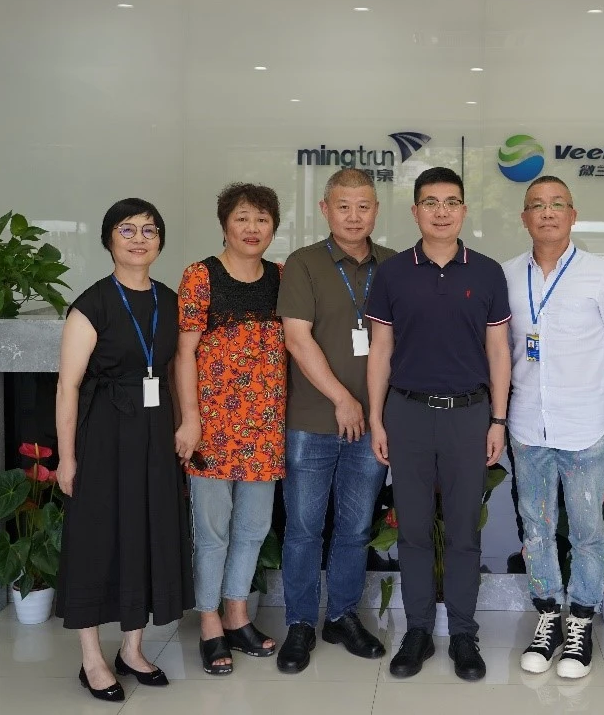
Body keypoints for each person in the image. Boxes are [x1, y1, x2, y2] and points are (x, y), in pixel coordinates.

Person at [365, 166, 511, 682]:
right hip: (406, 413)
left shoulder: (487, 273)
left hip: (469, 415)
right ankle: (419, 631)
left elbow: (499, 350)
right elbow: (380, 350)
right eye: (431, 202)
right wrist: (376, 418)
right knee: (414, 531)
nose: (441, 212)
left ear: (464, 210)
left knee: (465, 531)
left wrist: (498, 418)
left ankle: (465, 634)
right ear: (415, 212)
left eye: (451, 202)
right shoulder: (392, 273)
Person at [502, 175, 604, 679]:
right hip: (527, 425)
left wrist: (591, 389)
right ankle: (548, 618)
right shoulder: (506, 276)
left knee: (586, 531)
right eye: (537, 205)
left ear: (573, 215)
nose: (547, 212)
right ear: (524, 218)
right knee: (536, 527)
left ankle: (580, 621)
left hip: (584, 428)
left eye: (557, 204)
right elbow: (500, 349)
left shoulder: (602, 276)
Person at [55, 198, 192, 703]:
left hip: (155, 435)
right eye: (127, 230)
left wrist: (186, 424)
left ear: (160, 240)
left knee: (147, 533)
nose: (139, 239)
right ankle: (91, 659)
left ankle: (132, 649)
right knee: (97, 539)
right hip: (104, 436)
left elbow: (176, 370)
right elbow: (68, 386)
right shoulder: (91, 305)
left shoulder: (169, 300)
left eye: (149, 230)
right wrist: (67, 458)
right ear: (109, 239)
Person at [274, 168, 395, 673]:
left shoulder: (394, 265)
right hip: (312, 421)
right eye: (343, 206)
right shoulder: (303, 264)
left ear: (376, 211)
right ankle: (300, 622)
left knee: (354, 529)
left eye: (363, 206)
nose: (353, 216)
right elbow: (296, 338)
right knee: (303, 529)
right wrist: (344, 399)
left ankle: (342, 616)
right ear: (325, 209)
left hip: (373, 426)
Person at [174, 183, 286, 676]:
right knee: (212, 532)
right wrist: (190, 419)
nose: (252, 228)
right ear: (225, 224)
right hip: (214, 428)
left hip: (266, 426)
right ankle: (209, 623)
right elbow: (184, 354)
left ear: (273, 227)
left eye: (262, 219)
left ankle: (237, 615)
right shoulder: (201, 276)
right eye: (242, 218)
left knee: (254, 528)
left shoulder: (281, 277)